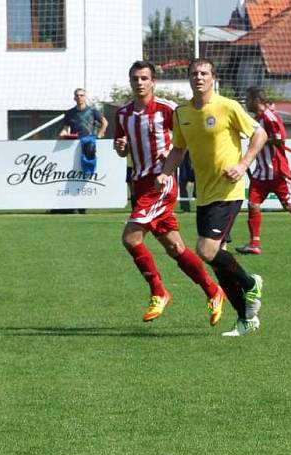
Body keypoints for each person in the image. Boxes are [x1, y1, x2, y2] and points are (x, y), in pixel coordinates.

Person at [156, 58, 268, 337]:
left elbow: (260, 134)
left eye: (204, 73)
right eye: (194, 73)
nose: (199, 77)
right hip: (204, 195)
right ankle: (245, 319)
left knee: (206, 250)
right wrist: (165, 173)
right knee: (220, 260)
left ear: (213, 78)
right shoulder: (181, 112)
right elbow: (178, 149)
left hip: (228, 190)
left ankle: (250, 282)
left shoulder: (228, 106)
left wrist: (243, 165)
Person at [113, 60, 225, 325]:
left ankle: (159, 292)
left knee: (130, 238)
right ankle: (213, 291)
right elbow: (122, 151)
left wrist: (171, 155)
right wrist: (120, 148)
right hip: (139, 183)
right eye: (135, 78)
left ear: (153, 82)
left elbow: (185, 141)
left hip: (161, 184)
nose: (139, 83)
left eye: (144, 78)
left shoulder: (168, 110)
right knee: (175, 247)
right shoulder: (123, 114)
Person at [236, 87, 291, 256]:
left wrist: (262, 140)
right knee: (253, 204)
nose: (246, 102)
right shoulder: (257, 118)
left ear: (256, 100)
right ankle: (254, 244)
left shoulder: (269, 117)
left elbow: (280, 138)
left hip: (277, 170)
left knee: (289, 204)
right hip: (262, 172)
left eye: (248, 99)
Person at [58, 88, 108, 214]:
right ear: (74, 98)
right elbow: (65, 128)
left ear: (85, 97)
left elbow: (104, 123)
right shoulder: (69, 113)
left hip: (88, 143)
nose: (79, 97)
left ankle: (83, 205)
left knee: (86, 171)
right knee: (74, 172)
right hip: (72, 145)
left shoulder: (92, 111)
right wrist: (63, 134)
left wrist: (100, 134)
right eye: (77, 95)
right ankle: (72, 204)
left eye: (82, 95)